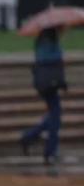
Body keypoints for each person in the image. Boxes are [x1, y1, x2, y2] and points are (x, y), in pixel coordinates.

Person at [21, 27, 68, 165]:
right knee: (55, 117)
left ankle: (29, 137)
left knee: (54, 116)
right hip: (49, 85)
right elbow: (52, 63)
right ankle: (49, 151)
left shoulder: (43, 41)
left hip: (46, 84)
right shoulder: (49, 44)